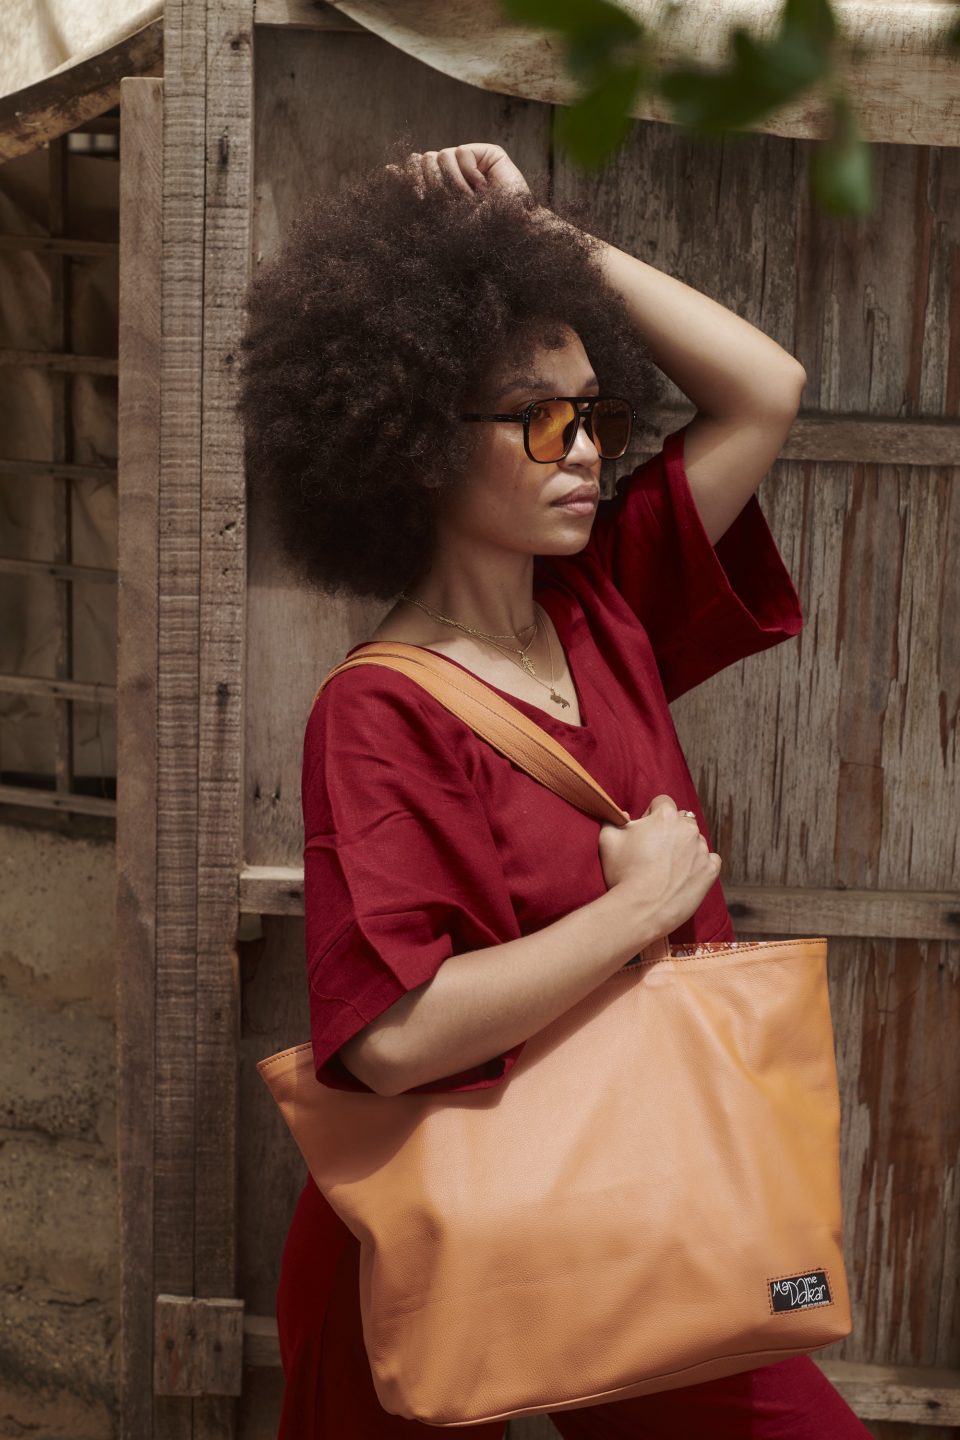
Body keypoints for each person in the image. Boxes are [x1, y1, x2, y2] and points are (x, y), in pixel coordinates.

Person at [238, 142, 871, 1440]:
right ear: (420, 445)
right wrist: (637, 912)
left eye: (595, 416)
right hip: (435, 1236)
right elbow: (392, 1037)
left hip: (644, 1193)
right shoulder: (379, 711)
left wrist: (542, 235)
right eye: (539, 419)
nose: (582, 451)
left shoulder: (604, 604)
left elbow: (766, 390)